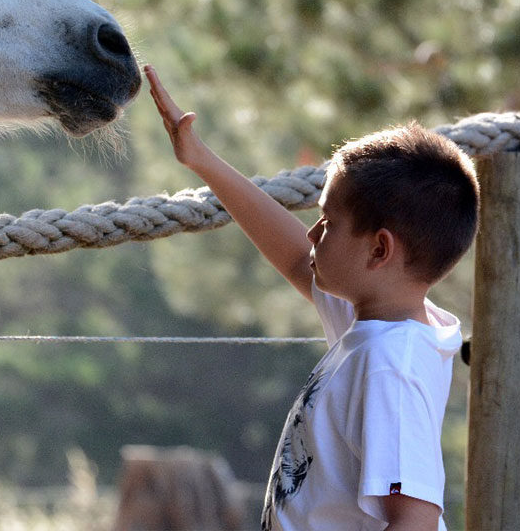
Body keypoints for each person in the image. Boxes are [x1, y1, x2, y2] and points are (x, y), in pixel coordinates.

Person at [143, 65, 479, 531]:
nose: (312, 232)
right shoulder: (379, 322)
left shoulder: (391, 363)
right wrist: (202, 160)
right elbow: (298, 259)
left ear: (379, 249)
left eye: (328, 222)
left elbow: (416, 520)